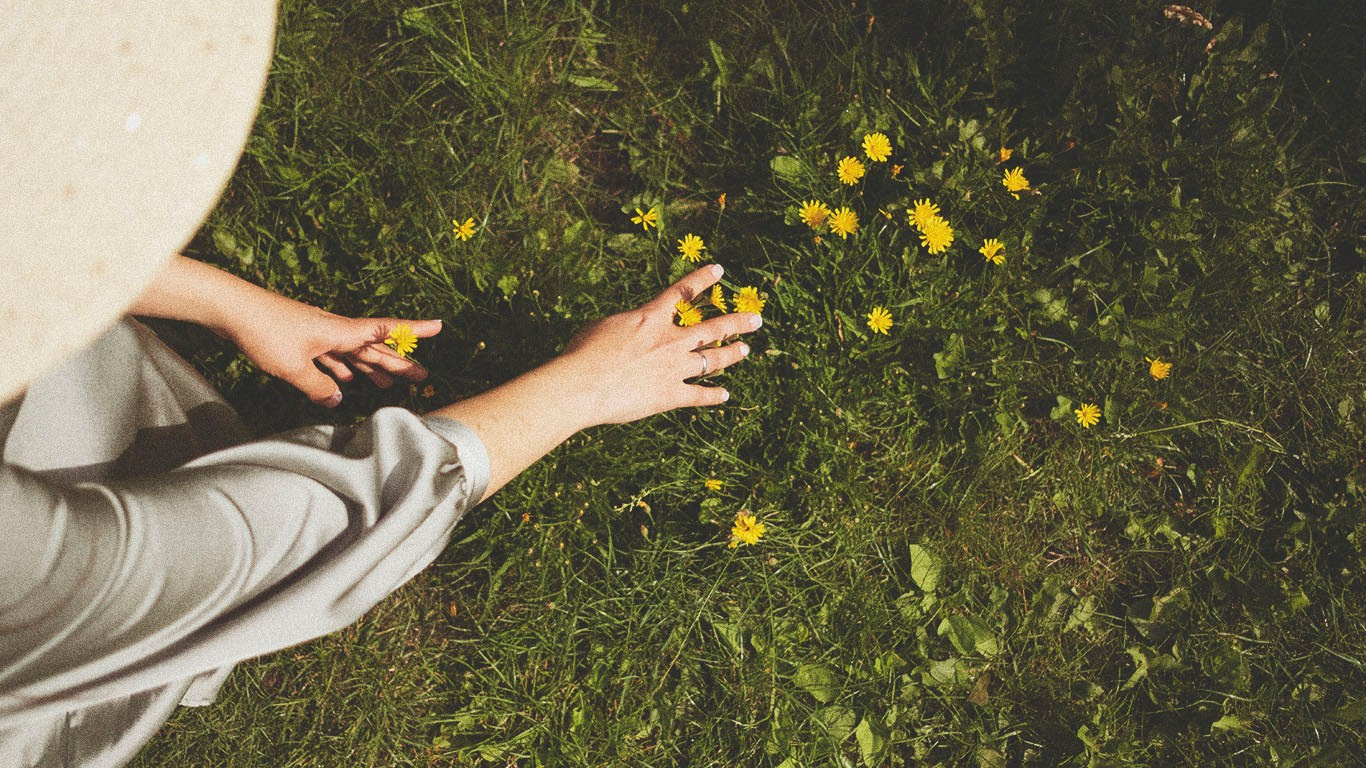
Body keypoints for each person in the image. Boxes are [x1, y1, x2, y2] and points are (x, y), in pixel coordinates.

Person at [0, 2, 758, 766]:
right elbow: (291, 534)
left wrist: (234, 306)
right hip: (67, 638)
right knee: (156, 610)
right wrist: (582, 387)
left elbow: (25, 240)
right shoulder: (21, 552)